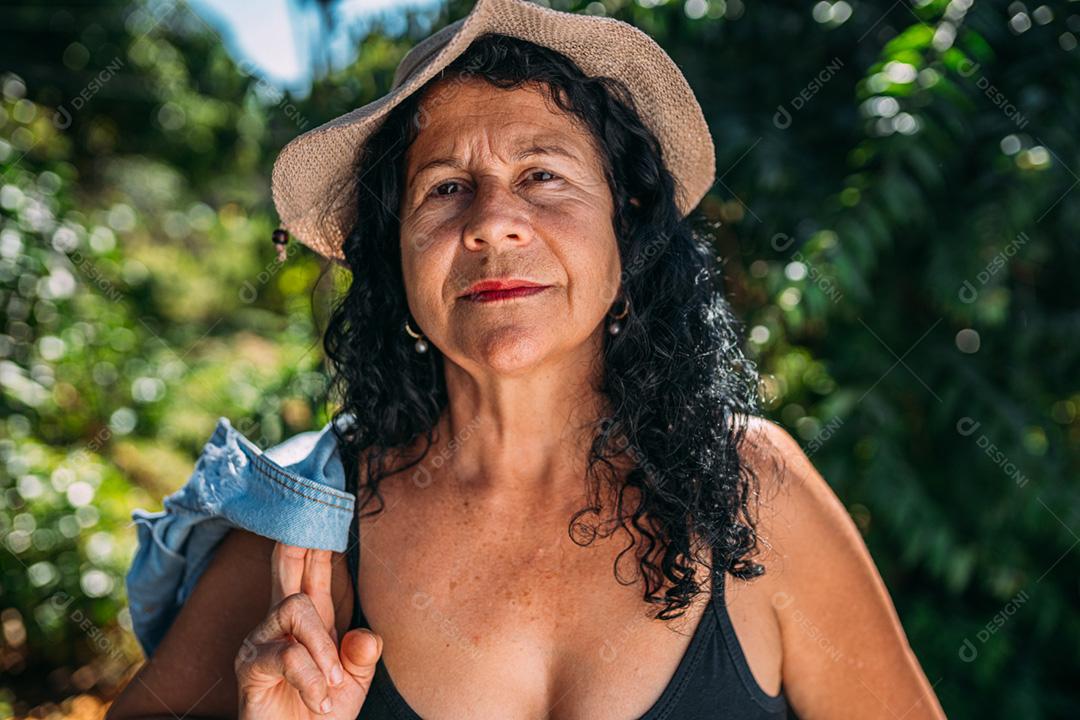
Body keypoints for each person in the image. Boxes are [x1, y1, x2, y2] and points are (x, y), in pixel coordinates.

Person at [107, 0, 946, 718]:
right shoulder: (310, 528)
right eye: (443, 188)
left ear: (629, 224)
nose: (491, 223)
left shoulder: (754, 489)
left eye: (542, 175)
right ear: (393, 257)